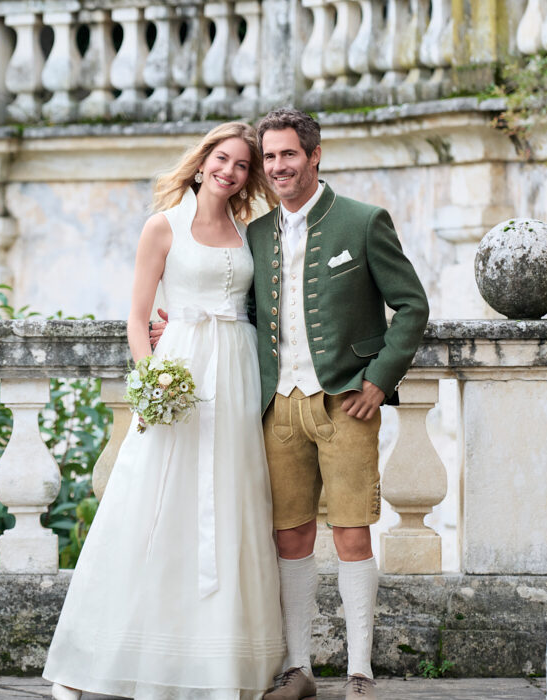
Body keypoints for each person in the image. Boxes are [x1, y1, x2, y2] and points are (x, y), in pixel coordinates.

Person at [156, 109, 430, 699]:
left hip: (345, 402)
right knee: (290, 537)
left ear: (314, 155)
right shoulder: (253, 233)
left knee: (353, 534)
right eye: (270, 157)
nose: (278, 167)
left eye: (288, 155)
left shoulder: (362, 222)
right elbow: (235, 308)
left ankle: (360, 671)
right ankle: (298, 669)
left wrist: (380, 379)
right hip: (276, 406)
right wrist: (171, 328)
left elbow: (412, 306)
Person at [43, 122, 285, 700]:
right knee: (146, 502)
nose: (230, 171)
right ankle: (85, 663)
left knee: (230, 504)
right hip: (180, 370)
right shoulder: (163, 225)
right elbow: (137, 315)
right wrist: (151, 377)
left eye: (242, 165)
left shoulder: (249, 232)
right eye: (221, 159)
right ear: (202, 163)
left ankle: (218, 667)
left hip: (236, 372)